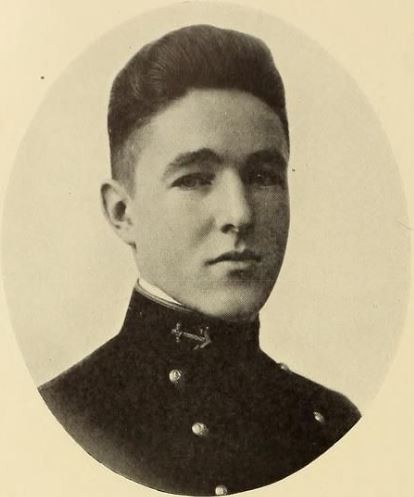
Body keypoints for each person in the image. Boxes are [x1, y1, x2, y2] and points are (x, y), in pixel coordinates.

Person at [39, 24, 360, 495]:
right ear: (122, 213)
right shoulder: (61, 420)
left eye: (264, 176)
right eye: (194, 179)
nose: (240, 213)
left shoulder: (331, 425)